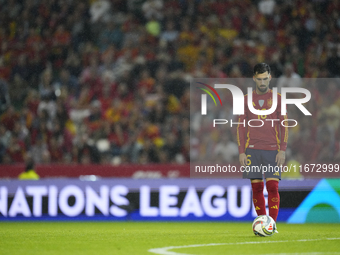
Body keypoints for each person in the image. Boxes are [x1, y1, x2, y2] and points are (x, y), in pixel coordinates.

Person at [237, 63, 288, 233]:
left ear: (270, 77)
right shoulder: (245, 99)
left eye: (265, 78)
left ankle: (271, 225)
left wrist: (282, 149)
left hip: (272, 150)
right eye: (259, 79)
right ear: (254, 79)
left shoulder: (278, 98)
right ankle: (263, 222)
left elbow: (284, 125)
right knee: (257, 188)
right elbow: (240, 126)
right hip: (252, 149)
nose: (262, 82)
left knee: (272, 187)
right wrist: (241, 152)